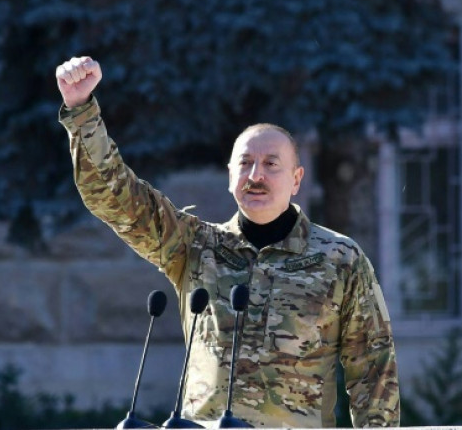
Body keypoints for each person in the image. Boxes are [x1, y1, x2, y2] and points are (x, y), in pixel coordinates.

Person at [56, 56, 399, 428]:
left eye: (271, 164)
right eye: (245, 163)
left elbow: (374, 372)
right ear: (229, 175)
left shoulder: (340, 259)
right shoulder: (194, 246)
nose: (256, 175)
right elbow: (115, 197)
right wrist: (81, 110)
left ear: (296, 179)